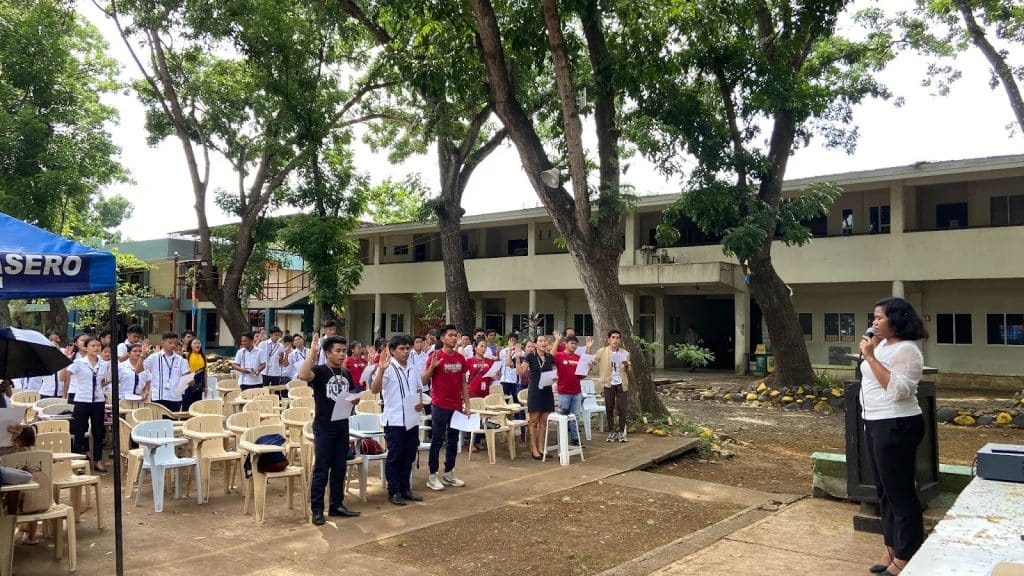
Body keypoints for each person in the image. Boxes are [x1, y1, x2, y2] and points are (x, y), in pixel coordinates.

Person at [859, 297, 927, 576]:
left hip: (897, 423)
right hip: (875, 421)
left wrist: (872, 357)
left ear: (896, 320)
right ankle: (891, 546)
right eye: (873, 317)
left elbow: (899, 390)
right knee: (884, 492)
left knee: (900, 493)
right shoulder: (882, 345)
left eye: (879, 318)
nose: (874, 322)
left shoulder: (908, 350)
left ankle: (907, 554)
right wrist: (872, 352)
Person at [298, 334, 360, 525]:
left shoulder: (346, 373)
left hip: (342, 426)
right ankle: (317, 509)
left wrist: (354, 400)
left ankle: (336, 505)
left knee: (339, 468)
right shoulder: (321, 371)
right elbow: (303, 375)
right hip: (324, 427)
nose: (342, 355)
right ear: (328, 353)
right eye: (338, 351)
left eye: (344, 351)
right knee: (321, 470)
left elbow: (349, 396)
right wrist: (312, 352)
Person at [370, 334, 425, 506]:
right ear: (392, 351)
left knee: (409, 455)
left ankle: (405, 489)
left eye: (407, 348)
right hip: (394, 420)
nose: (406, 351)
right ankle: (393, 491)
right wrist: (381, 369)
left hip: (411, 419)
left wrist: (420, 402)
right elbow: (374, 389)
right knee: (395, 456)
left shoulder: (412, 367)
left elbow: (418, 388)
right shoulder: (388, 368)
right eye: (401, 348)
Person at [421, 324, 469, 491]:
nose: (454, 338)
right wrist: (433, 367)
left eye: (456, 335)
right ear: (442, 338)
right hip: (439, 404)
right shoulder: (435, 356)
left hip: (456, 406)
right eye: (450, 335)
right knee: (437, 440)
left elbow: (463, 382)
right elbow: (424, 380)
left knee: (453, 440)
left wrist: (467, 405)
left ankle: (449, 472)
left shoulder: (460, 358)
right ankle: (432, 475)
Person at [64, 337, 110, 472]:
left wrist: (99, 387)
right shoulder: (78, 362)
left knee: (98, 431)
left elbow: (104, 380)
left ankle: (98, 460)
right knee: (79, 431)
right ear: (86, 348)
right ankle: (77, 461)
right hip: (82, 400)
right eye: (92, 346)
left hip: (98, 401)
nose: (96, 348)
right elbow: (66, 375)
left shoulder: (104, 363)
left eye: (98, 346)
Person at [587, 329, 631, 442]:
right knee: (609, 407)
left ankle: (621, 432)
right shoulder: (602, 351)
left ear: (620, 340)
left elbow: (628, 370)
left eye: (617, 338)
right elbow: (592, 362)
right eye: (613, 337)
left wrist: (626, 365)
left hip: (621, 383)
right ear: (609, 339)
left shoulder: (624, 353)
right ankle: (611, 431)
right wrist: (589, 351)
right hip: (608, 383)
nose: (615, 340)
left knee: (622, 408)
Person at [520, 335, 556, 459]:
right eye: (540, 341)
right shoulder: (530, 356)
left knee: (544, 422)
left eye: (544, 340)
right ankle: (534, 449)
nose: (543, 343)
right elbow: (521, 373)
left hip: (547, 390)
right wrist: (518, 359)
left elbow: (554, 372)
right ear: (536, 344)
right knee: (534, 421)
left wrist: (555, 377)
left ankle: (541, 448)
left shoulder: (549, 357)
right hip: (535, 390)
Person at [144, 332, 192, 411]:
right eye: (170, 343)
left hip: (175, 397)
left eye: (175, 343)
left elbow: (187, 379)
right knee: (158, 421)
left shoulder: (181, 360)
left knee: (172, 422)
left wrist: (189, 380)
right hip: (159, 396)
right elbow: (139, 369)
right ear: (163, 343)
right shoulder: (154, 357)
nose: (173, 345)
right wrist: (143, 354)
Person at [554, 335, 584, 445]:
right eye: (572, 343)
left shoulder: (578, 358)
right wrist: (556, 341)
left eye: (575, 344)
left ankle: (575, 439)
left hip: (576, 391)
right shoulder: (559, 355)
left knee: (575, 416)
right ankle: (562, 440)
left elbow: (582, 376)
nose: (574, 345)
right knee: (563, 417)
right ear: (566, 344)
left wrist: (588, 368)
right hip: (563, 391)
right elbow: (550, 357)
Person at [465, 339, 495, 453]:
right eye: (481, 346)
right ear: (475, 347)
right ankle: (470, 442)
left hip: (485, 392)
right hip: (472, 391)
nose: (483, 348)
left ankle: (478, 441)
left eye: (485, 347)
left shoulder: (489, 361)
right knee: (472, 417)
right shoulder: (469, 361)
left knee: (483, 418)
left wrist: (495, 375)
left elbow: (493, 377)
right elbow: (463, 376)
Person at [182, 337, 207, 410]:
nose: (197, 345)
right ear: (190, 345)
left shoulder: (203, 356)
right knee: (186, 407)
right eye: (195, 343)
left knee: (197, 407)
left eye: (199, 343)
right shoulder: (186, 355)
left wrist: (205, 387)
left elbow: (205, 373)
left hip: (199, 386)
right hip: (188, 386)